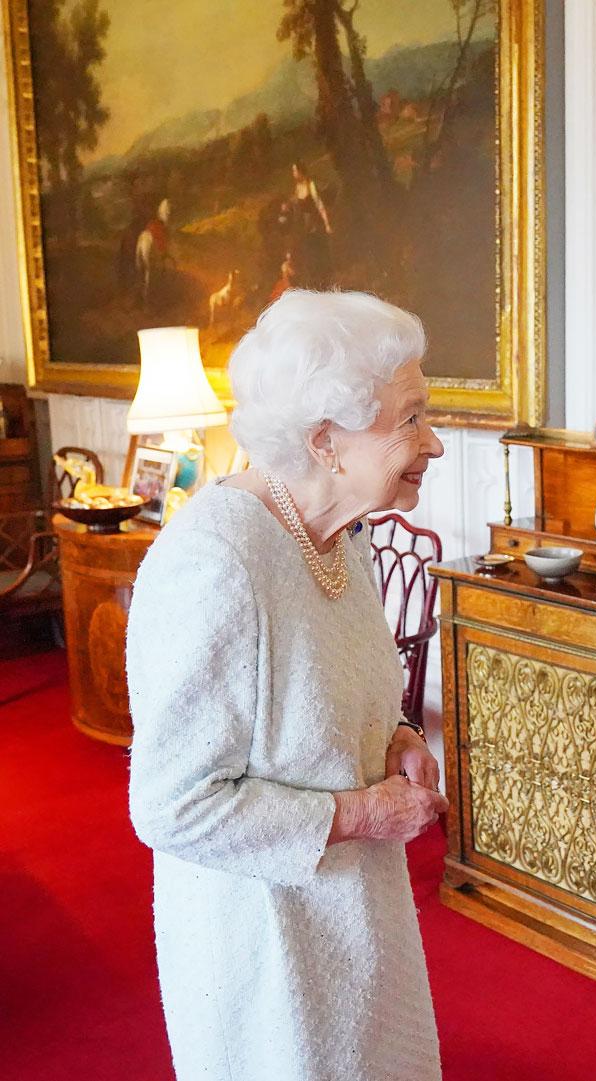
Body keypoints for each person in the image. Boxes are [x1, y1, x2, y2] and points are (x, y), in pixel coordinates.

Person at [127, 289, 448, 1081]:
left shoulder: (345, 536)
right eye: (408, 418)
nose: (433, 442)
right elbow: (173, 804)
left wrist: (398, 735)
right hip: (262, 939)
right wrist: (363, 811)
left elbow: (341, 684)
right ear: (325, 441)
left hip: (355, 913)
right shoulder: (216, 561)